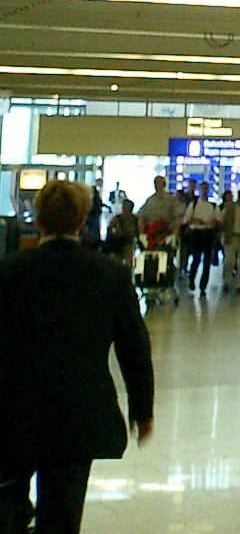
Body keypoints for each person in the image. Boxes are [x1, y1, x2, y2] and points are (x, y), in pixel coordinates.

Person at [0, 180, 155, 534]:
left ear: (39, 219)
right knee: (63, 514)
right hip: (78, 413)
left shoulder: (10, 271)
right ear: (84, 220)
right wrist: (142, 409)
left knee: (7, 501)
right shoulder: (110, 273)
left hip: (15, 410)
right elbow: (134, 345)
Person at [184, 182, 222, 293]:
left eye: (206, 189)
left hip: (208, 233)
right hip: (196, 232)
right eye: (203, 189)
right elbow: (186, 219)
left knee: (207, 261)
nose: (205, 191)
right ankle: (192, 279)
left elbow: (219, 219)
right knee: (196, 258)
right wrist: (195, 220)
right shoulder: (194, 204)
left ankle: (203, 286)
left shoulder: (213, 205)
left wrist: (214, 222)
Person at [135, 175, 183, 244]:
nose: (158, 185)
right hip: (151, 233)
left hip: (166, 233)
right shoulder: (150, 201)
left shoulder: (171, 200)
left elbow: (177, 218)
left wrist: (174, 234)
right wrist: (142, 234)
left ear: (164, 184)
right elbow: (142, 217)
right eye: (156, 183)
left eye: (160, 183)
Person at [105, 199, 140, 272]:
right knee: (118, 264)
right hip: (120, 243)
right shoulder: (132, 219)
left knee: (127, 264)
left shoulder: (133, 219)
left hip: (127, 243)